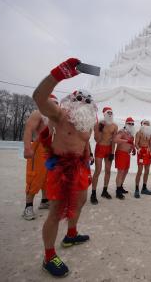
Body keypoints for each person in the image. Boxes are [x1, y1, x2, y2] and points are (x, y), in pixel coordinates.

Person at [33, 58, 97, 277]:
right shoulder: (60, 114)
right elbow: (39, 98)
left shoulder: (87, 121)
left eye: (88, 99)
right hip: (61, 168)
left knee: (80, 201)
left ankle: (71, 234)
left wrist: (89, 157)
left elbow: (85, 141)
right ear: (71, 100)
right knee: (55, 212)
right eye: (80, 97)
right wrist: (57, 75)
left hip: (80, 167)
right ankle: (49, 256)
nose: (84, 100)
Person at [22, 94, 59, 220]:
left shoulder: (55, 118)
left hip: (52, 149)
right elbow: (28, 129)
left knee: (48, 177)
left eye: (56, 104)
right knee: (35, 176)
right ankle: (28, 206)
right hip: (39, 148)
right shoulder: (38, 114)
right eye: (53, 103)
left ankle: (44, 200)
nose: (55, 106)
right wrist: (27, 148)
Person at [90, 107, 118, 205]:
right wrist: (100, 129)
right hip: (100, 148)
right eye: (108, 112)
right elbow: (96, 139)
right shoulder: (98, 124)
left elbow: (114, 140)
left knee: (108, 170)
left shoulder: (114, 126)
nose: (110, 114)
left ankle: (104, 190)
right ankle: (93, 193)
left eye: (111, 112)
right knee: (98, 170)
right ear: (104, 114)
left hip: (109, 149)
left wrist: (112, 152)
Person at [113, 117, 136, 199]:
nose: (131, 125)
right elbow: (115, 139)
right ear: (126, 124)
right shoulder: (122, 131)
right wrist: (126, 141)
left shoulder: (131, 134)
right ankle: (118, 191)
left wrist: (133, 148)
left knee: (125, 171)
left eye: (132, 124)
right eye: (129, 123)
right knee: (120, 172)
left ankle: (121, 186)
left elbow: (131, 143)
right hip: (121, 153)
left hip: (127, 154)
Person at [134, 119, 151, 198]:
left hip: (148, 153)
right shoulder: (139, 133)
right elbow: (136, 143)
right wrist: (139, 149)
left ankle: (144, 188)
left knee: (147, 170)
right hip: (141, 152)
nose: (147, 125)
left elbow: (150, 144)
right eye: (145, 123)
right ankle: (136, 189)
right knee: (140, 170)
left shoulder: (149, 134)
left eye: (148, 124)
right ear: (142, 124)